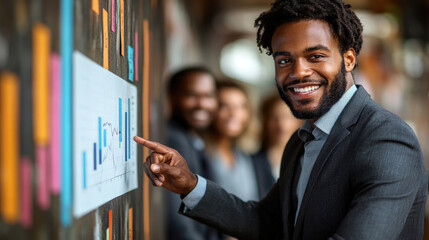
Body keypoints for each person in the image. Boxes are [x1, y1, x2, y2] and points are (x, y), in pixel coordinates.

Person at [135, 0, 428, 239]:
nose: (298, 72)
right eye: (284, 60)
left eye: (315, 56)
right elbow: (267, 223)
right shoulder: (303, 140)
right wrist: (189, 184)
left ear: (348, 59)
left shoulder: (386, 138)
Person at [164, 67, 218, 240]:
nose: (202, 104)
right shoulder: (174, 141)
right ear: (172, 97)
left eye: (209, 96)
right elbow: (178, 223)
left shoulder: (193, 139)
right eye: (191, 95)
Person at [204, 81, 274, 203]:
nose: (233, 113)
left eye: (241, 106)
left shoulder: (247, 157)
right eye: (224, 106)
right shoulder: (200, 151)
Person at [253, 94, 302, 179]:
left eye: (287, 117)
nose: (281, 124)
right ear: (265, 121)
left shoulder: (307, 160)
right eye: (274, 117)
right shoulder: (251, 163)